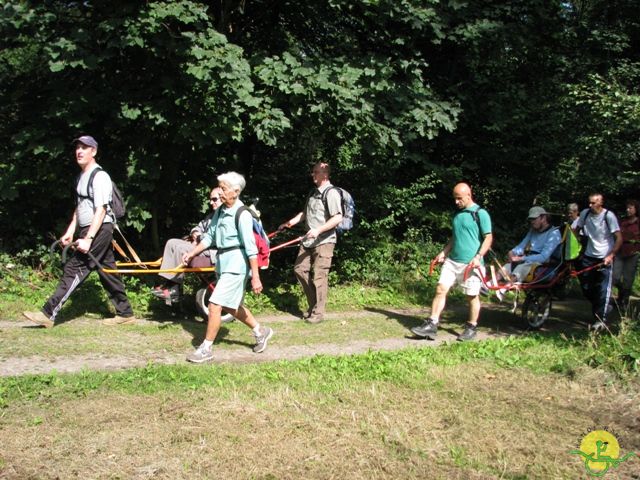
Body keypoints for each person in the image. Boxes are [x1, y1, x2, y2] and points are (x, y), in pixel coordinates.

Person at [23, 135, 135, 327]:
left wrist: (89, 238)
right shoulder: (81, 177)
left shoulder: (100, 176)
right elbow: (80, 207)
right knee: (107, 271)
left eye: (85, 147)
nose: (79, 151)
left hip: (98, 229)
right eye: (78, 147)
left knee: (75, 268)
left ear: (94, 152)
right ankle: (125, 313)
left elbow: (101, 210)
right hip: (88, 228)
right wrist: (70, 231)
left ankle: (48, 313)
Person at [183, 172, 272, 362]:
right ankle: (260, 331)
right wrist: (192, 253)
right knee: (231, 307)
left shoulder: (242, 214)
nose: (220, 192)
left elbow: (251, 249)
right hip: (223, 263)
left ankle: (206, 348)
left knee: (214, 305)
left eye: (223, 188)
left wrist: (255, 276)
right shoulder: (220, 211)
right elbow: (209, 238)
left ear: (236, 191)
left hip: (237, 264)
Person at [411, 182, 493, 342]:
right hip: (452, 261)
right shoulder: (457, 216)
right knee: (441, 289)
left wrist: (478, 257)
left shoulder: (480, 214)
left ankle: (471, 327)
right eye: (455, 199)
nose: (456, 202)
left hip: (471, 264)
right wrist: (443, 253)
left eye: (459, 198)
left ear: (468, 195)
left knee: (471, 296)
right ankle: (432, 324)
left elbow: (488, 238)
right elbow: (455, 238)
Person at [279, 162, 343, 324]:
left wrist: (318, 230)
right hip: (309, 240)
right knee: (299, 269)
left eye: (316, 172)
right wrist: (289, 223)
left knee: (320, 276)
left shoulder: (332, 193)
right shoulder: (313, 193)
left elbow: (337, 217)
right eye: (313, 172)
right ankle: (314, 304)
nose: (312, 175)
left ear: (325, 175)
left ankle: (318, 313)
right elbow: (305, 213)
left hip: (325, 241)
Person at [152, 187, 222, 300]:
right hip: (202, 247)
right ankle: (170, 283)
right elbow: (197, 227)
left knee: (180, 249)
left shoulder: (226, 217)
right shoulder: (211, 216)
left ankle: (175, 289)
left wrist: (199, 237)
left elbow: (216, 238)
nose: (211, 202)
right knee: (172, 242)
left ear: (223, 199)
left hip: (214, 252)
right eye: (210, 199)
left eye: (214, 199)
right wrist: (195, 232)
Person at [574, 193, 623, 331]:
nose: (590, 205)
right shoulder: (584, 214)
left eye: (593, 203)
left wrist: (611, 255)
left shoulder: (609, 216)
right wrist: (574, 247)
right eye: (589, 203)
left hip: (605, 258)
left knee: (603, 289)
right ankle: (603, 307)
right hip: (588, 256)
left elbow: (619, 238)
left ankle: (601, 319)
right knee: (587, 288)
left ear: (601, 203)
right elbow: (576, 231)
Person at [499, 206, 562, 287]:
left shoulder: (553, 233)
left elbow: (544, 257)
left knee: (521, 267)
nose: (532, 222)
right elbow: (521, 246)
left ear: (543, 218)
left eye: (534, 219)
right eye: (531, 219)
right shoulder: (533, 231)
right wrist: (512, 252)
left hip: (544, 266)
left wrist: (521, 258)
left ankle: (505, 288)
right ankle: (489, 285)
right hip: (529, 261)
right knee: (507, 267)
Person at [612, 199, 640, 309]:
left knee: (628, 279)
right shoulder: (622, 222)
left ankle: (624, 301)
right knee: (615, 277)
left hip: (633, 253)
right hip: (620, 251)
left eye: (630, 208)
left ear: (636, 209)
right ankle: (621, 293)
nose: (628, 210)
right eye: (627, 208)